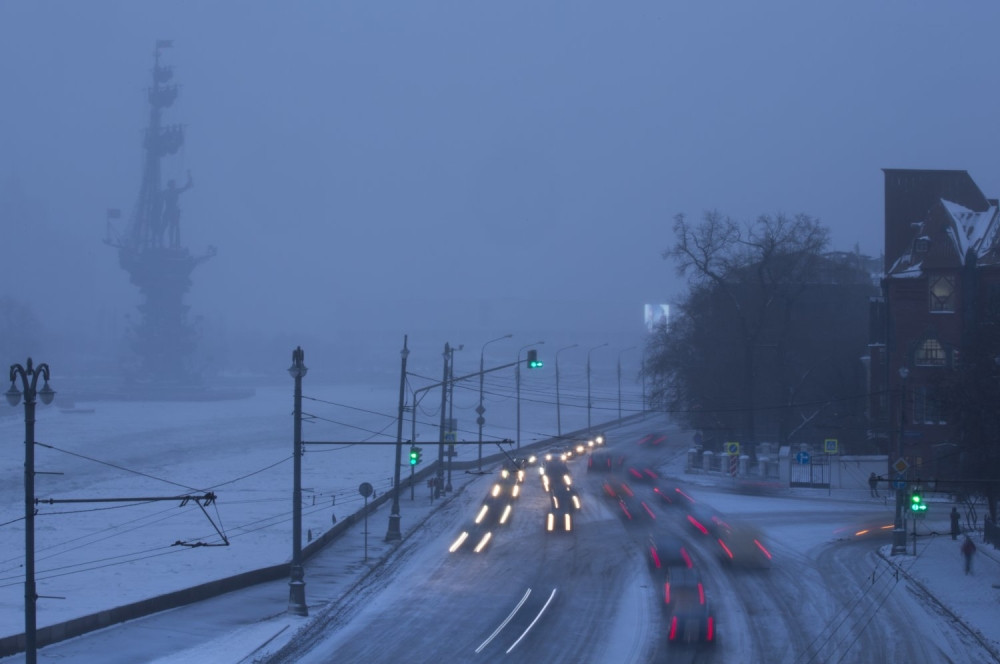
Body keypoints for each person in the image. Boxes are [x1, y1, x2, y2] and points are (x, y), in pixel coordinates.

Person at [161, 170, 193, 248]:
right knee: (166, 227)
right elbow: (186, 187)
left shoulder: (171, 191)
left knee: (172, 228)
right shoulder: (169, 192)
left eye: (174, 184)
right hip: (170, 211)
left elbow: (187, 187)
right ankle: (165, 243)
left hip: (172, 211)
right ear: (170, 185)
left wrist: (189, 176)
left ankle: (172, 244)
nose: (174, 185)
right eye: (173, 184)